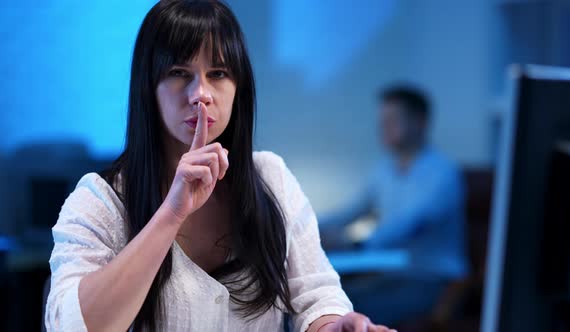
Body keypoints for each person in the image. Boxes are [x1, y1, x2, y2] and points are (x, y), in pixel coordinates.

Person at [44, 1, 395, 331]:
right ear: (148, 87)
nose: (201, 93)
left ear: (238, 88)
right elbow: (72, 324)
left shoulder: (270, 177)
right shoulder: (100, 199)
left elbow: (317, 296)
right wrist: (171, 213)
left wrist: (336, 324)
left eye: (218, 73)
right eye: (179, 72)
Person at [320, 86, 468, 324]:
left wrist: (355, 243)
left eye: (392, 120)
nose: (383, 128)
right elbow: (351, 211)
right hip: (392, 275)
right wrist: (307, 227)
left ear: (420, 122)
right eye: (382, 121)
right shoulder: (384, 170)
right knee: (325, 302)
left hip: (432, 280)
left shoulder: (443, 173)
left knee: (349, 311)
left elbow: (412, 224)